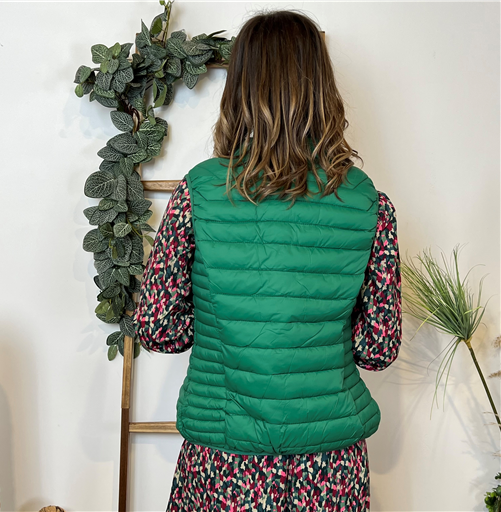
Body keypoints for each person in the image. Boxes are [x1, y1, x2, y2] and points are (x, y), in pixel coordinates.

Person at [133, 8, 401, 512]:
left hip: (224, 460)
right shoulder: (369, 202)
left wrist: (225, 322)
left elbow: (159, 329)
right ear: (322, 89)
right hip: (331, 466)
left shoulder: (198, 193)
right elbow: (377, 349)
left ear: (240, 89)